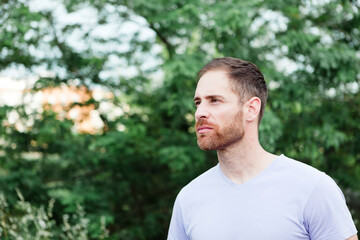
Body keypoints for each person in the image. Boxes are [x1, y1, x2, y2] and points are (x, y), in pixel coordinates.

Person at [167, 57, 358, 240]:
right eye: (198, 102)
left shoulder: (313, 188)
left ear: (251, 109)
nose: (200, 112)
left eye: (214, 100)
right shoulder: (189, 198)